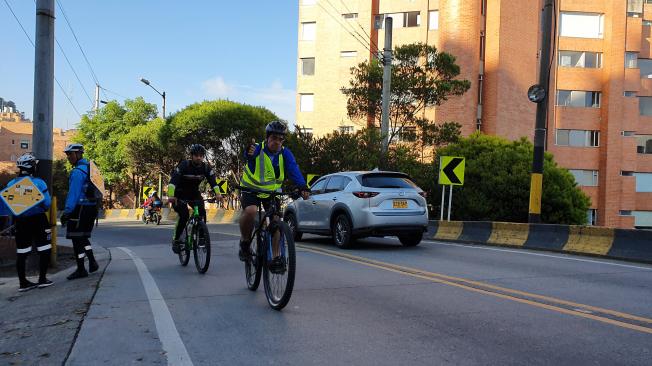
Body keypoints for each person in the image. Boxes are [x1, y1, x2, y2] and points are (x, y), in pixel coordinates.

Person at [239, 120, 310, 273]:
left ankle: (276, 257)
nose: (277, 142)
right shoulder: (258, 148)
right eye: (273, 138)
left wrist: (302, 186)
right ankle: (245, 242)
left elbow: (293, 169)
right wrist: (248, 152)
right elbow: (250, 155)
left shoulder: (285, 153)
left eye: (280, 139)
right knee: (250, 211)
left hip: (271, 192)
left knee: (276, 222)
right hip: (250, 189)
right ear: (267, 138)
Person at [1, 154, 53, 291]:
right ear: (32, 167)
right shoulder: (39, 183)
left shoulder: (11, 184)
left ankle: (23, 283)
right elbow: (47, 204)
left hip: (21, 221)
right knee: (44, 249)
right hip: (39, 219)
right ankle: (42, 279)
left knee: (22, 252)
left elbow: (8, 207)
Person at [167, 144, 222, 253]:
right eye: (196, 155)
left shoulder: (206, 167)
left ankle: (201, 238)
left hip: (193, 193)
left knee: (201, 212)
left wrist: (218, 194)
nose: (199, 158)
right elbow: (173, 183)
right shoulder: (184, 165)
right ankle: (176, 239)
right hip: (178, 195)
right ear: (191, 156)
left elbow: (213, 182)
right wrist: (171, 196)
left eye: (201, 156)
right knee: (184, 215)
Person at [60, 143, 100, 280]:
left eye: (70, 154)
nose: (68, 157)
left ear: (78, 154)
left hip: (80, 209)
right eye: (67, 155)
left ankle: (81, 269)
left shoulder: (77, 172)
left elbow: (73, 194)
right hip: (91, 208)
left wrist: (67, 212)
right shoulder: (90, 168)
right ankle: (92, 262)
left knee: (76, 239)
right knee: (82, 237)